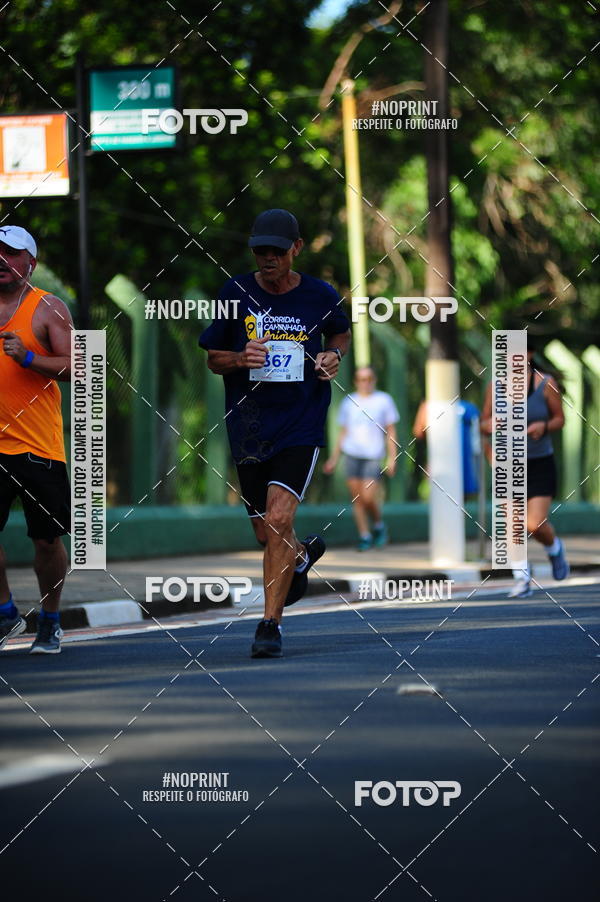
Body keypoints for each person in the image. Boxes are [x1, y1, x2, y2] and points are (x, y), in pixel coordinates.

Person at [199, 209, 351, 658]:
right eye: (260, 251)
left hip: (301, 422)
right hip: (249, 426)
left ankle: (270, 624)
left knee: (280, 518)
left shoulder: (320, 294)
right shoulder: (235, 292)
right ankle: (299, 556)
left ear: (296, 250)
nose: (268, 259)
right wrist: (238, 359)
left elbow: (339, 335)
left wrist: (331, 357)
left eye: (277, 252)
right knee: (267, 533)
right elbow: (213, 358)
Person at [0, 225, 73, 654]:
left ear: (31, 262)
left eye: (11, 254)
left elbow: (78, 366)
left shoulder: (48, 308)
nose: (2, 262)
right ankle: (7, 612)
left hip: (38, 445)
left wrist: (28, 357)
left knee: (46, 540)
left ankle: (49, 618)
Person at [481, 336, 570, 598]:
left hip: (540, 462)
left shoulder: (545, 384)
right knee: (513, 523)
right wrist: (490, 424)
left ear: (529, 354)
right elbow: (483, 423)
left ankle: (555, 549)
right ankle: (522, 578)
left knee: (534, 524)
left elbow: (560, 419)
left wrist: (543, 426)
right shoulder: (494, 386)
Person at [323, 367, 399, 550]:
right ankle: (364, 535)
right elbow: (343, 432)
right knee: (357, 499)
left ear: (374, 379)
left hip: (373, 456)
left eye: (368, 378)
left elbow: (390, 431)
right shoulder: (349, 402)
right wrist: (334, 458)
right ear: (356, 381)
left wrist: (392, 458)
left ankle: (379, 525)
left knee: (368, 497)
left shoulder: (384, 400)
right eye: (361, 379)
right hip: (352, 455)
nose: (365, 382)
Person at [412, 397, 481, 497]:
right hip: (448, 464)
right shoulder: (467, 407)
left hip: (452, 465)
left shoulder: (429, 406)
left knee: (444, 498)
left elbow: (418, 432)